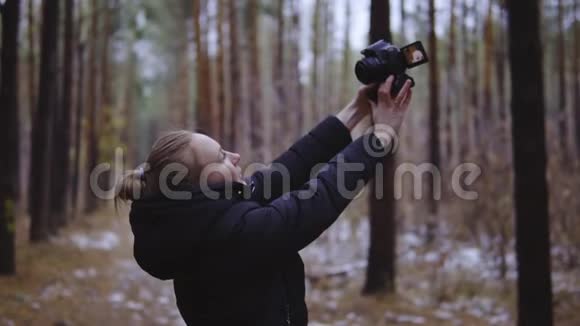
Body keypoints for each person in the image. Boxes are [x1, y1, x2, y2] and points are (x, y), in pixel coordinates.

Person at [115, 76, 413, 326]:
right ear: (201, 185)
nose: (235, 157)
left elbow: (289, 168)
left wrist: (355, 109)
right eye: (220, 158)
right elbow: (319, 198)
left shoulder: (194, 222)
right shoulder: (235, 235)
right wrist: (382, 136)